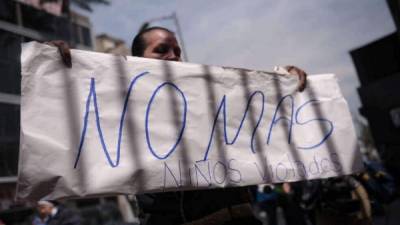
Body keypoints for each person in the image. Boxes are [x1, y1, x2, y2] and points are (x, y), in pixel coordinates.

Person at [49, 26, 307, 225]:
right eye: (161, 50)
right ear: (138, 59)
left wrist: (282, 83)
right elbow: (77, 124)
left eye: (178, 51)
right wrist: (55, 74)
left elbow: (260, 118)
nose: (174, 57)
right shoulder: (122, 109)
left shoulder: (212, 100)